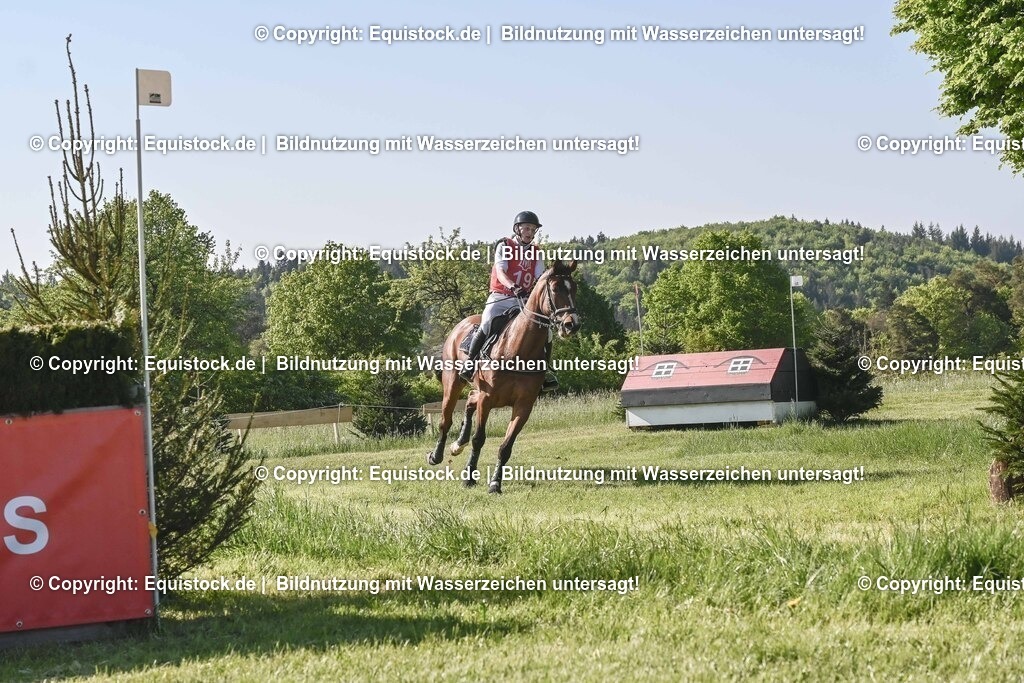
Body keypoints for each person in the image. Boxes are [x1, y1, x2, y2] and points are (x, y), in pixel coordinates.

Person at [459, 210, 558, 391]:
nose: (530, 232)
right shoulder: (505, 246)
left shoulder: (536, 252)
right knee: (487, 323)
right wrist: (513, 287)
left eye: (533, 229)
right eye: (527, 228)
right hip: (501, 296)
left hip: (525, 300)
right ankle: (470, 363)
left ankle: (546, 371)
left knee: (547, 331)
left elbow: (539, 277)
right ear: (517, 229)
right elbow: (501, 272)